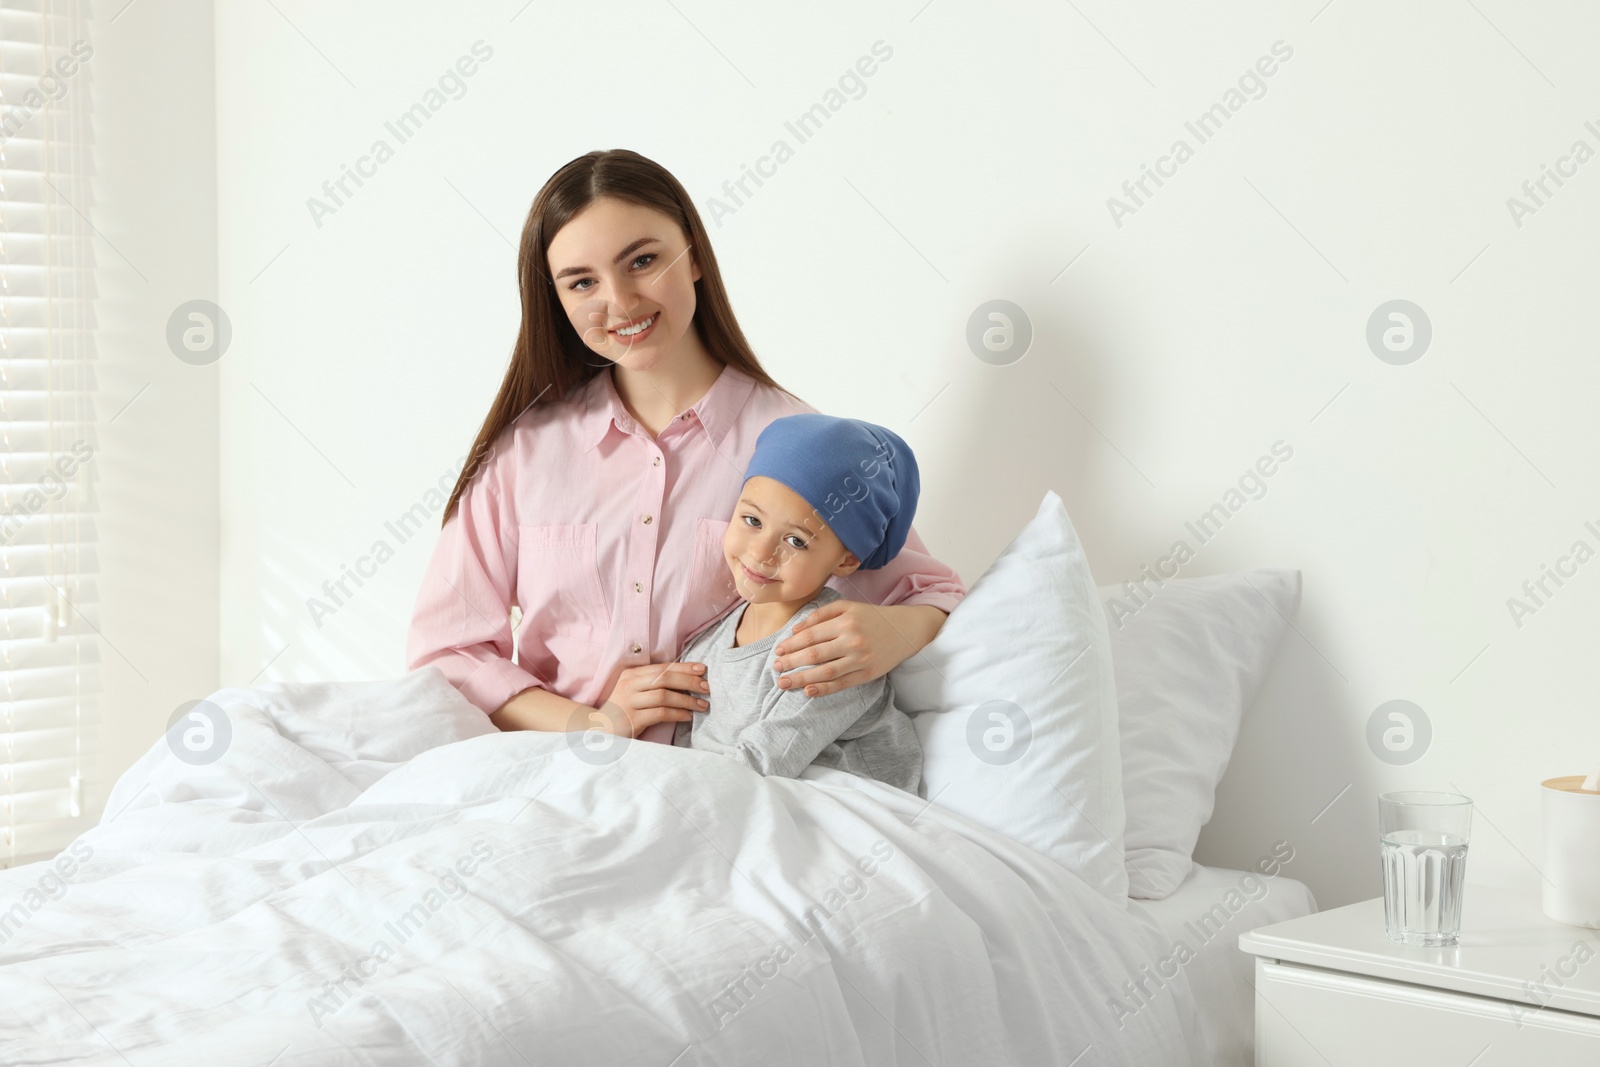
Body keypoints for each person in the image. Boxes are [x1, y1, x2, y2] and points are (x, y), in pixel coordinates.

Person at [405, 149, 966, 742]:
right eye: (582, 282)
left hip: (726, 781)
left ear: (693, 254)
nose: (619, 303)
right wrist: (590, 723)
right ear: (557, 299)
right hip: (562, 772)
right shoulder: (527, 451)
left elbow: (933, 594)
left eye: (642, 261)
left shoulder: (796, 441)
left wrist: (892, 633)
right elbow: (449, 651)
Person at [670, 414, 923, 793]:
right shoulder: (708, 642)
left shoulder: (830, 648)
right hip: (733, 792)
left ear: (846, 560)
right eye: (752, 520)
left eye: (797, 541)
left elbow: (765, 760)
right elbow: (687, 745)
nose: (761, 553)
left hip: (845, 809)